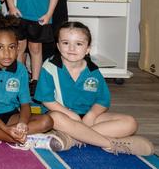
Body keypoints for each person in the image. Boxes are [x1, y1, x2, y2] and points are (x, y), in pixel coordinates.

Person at [34, 22, 155, 155]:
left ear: (87, 49)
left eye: (79, 44)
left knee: (130, 123)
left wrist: (91, 115)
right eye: (65, 43)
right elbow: (47, 100)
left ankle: (72, 138)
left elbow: (102, 101)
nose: (72, 48)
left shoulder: (93, 71)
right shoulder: (50, 67)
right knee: (55, 118)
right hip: (63, 116)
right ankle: (110, 143)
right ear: (58, 46)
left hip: (87, 119)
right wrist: (71, 115)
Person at [0, 13, 62, 151]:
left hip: (10, 114)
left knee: (47, 121)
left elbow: (25, 104)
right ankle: (22, 138)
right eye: (0, 47)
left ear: (18, 48)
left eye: (12, 47)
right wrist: (6, 129)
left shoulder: (20, 69)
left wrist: (23, 123)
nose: (7, 53)